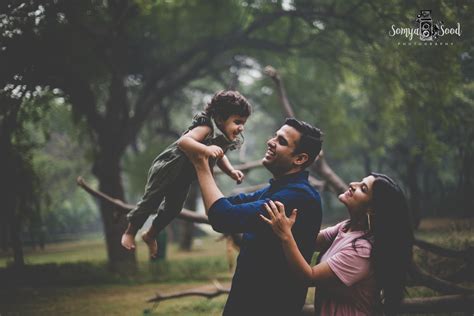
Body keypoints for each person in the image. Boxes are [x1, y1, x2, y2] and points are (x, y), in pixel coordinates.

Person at [185, 118, 324, 315]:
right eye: (275, 136)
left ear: (299, 159)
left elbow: (222, 217)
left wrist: (200, 163)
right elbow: (226, 205)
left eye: (281, 141)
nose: (271, 141)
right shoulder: (278, 190)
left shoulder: (298, 198)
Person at [121, 90, 252, 258]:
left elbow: (220, 155)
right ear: (220, 118)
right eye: (237, 121)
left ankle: (150, 234)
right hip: (167, 168)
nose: (241, 127)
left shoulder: (223, 138)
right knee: (151, 202)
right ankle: (130, 232)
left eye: (243, 123)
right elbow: (184, 142)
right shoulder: (205, 128)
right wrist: (206, 148)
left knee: (173, 209)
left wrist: (231, 171)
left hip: (183, 178)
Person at [260, 173, 413, 315]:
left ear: (372, 209)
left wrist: (286, 235)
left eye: (363, 188)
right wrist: (289, 223)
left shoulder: (362, 251)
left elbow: (309, 276)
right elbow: (310, 242)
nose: (353, 184)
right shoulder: (346, 227)